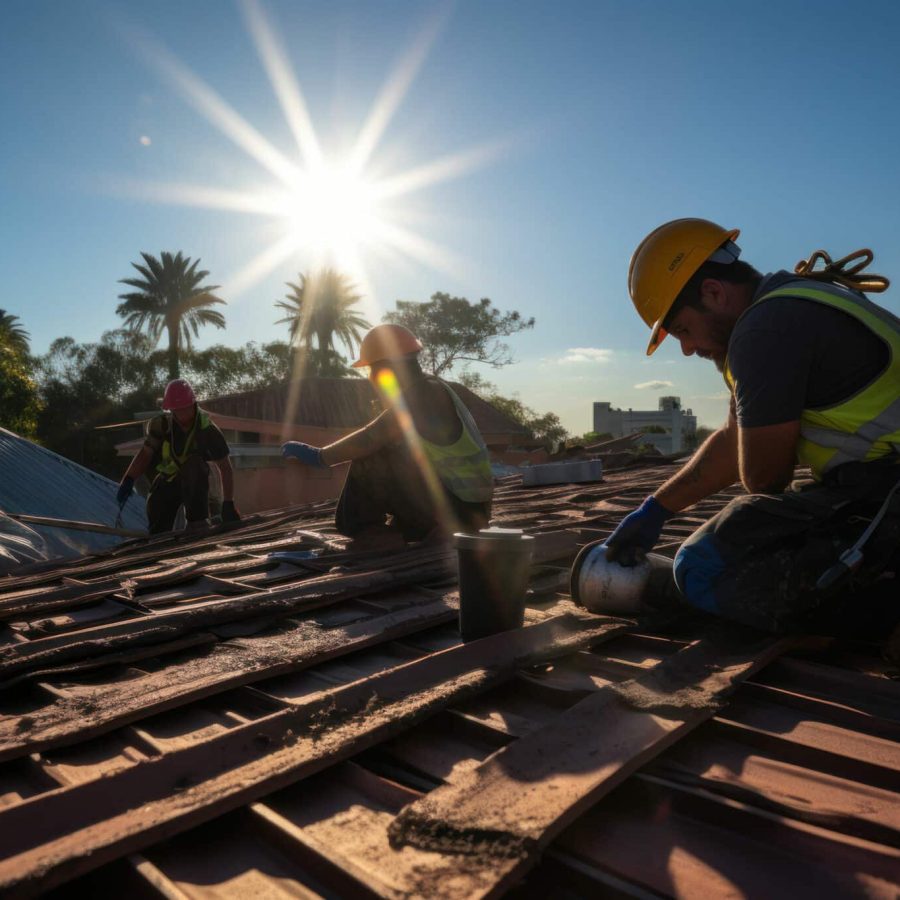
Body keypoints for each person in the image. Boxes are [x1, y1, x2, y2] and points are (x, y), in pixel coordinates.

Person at [604, 218, 900, 634]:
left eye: (684, 330)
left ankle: (883, 617)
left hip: (887, 491)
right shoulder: (787, 306)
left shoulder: (765, 329)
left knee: (703, 566)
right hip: (880, 487)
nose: (688, 349)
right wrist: (656, 509)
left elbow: (764, 478)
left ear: (713, 292)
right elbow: (732, 439)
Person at [282, 324, 493, 547]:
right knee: (397, 450)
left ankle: (369, 529)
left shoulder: (423, 394)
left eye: (371, 369)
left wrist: (319, 456)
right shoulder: (433, 389)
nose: (370, 377)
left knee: (373, 453)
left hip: (459, 512)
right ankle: (422, 527)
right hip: (469, 511)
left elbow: (371, 437)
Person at [116, 378, 240, 534]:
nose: (180, 414)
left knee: (194, 465)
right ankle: (159, 535)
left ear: (193, 404)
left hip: (197, 485)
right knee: (157, 503)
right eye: (176, 410)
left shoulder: (207, 430)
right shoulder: (162, 425)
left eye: (184, 409)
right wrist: (129, 479)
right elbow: (145, 454)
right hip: (169, 481)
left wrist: (228, 503)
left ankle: (197, 523)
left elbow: (225, 467)